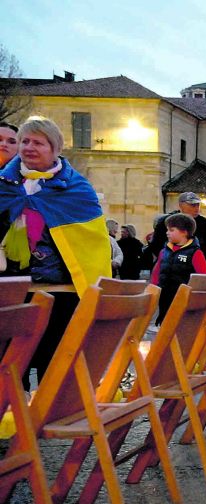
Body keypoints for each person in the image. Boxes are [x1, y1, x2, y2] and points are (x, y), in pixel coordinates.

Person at [0, 116, 111, 386]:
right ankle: (11, 416)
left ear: (55, 149)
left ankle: (46, 419)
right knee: (10, 364)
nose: (29, 147)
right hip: (10, 291)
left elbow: (93, 242)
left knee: (55, 364)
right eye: (25, 141)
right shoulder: (3, 185)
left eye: (38, 142)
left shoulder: (77, 189)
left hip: (61, 292)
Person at [151, 213, 206, 326]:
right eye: (167, 230)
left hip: (185, 300)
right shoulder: (164, 252)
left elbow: (204, 278)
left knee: (182, 328)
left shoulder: (195, 253)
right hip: (164, 298)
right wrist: (153, 291)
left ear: (184, 232)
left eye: (171, 230)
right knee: (165, 326)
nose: (167, 233)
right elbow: (156, 273)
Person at [145, 191, 206, 269]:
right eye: (192, 205)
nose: (196, 208)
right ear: (181, 205)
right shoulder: (167, 221)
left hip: (195, 265)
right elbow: (156, 245)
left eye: (198, 204)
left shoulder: (202, 222)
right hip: (171, 266)